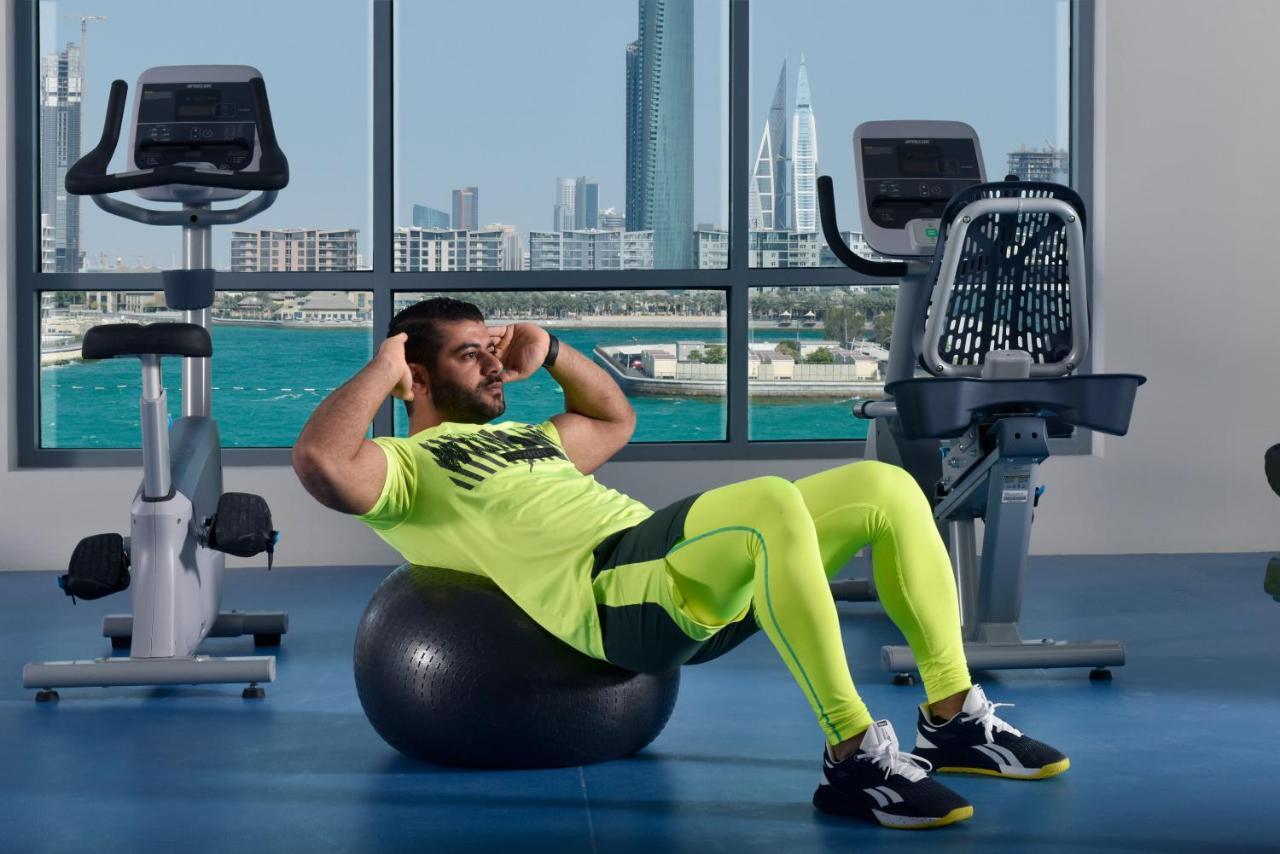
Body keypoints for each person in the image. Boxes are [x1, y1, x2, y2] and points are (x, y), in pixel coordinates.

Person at [292, 297, 1069, 830]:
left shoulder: (526, 438)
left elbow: (613, 415)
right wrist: (389, 358)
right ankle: (852, 759)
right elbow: (322, 460)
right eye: (472, 357)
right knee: (768, 502)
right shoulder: (406, 467)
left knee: (885, 487)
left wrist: (552, 352)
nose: (494, 368)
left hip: (671, 573)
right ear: (416, 380)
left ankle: (951, 718)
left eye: (491, 352)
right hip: (610, 599)